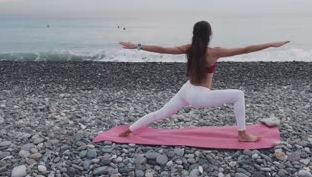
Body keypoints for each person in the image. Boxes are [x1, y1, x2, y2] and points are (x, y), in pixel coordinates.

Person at [118, 20, 289, 142]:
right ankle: (242, 134)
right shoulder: (214, 52)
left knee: (160, 113)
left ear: (194, 34)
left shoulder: (188, 48)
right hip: (199, 96)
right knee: (239, 95)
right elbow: (245, 49)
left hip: (186, 90)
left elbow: (162, 49)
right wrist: (271, 44)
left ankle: (129, 130)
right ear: (209, 35)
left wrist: (137, 46)